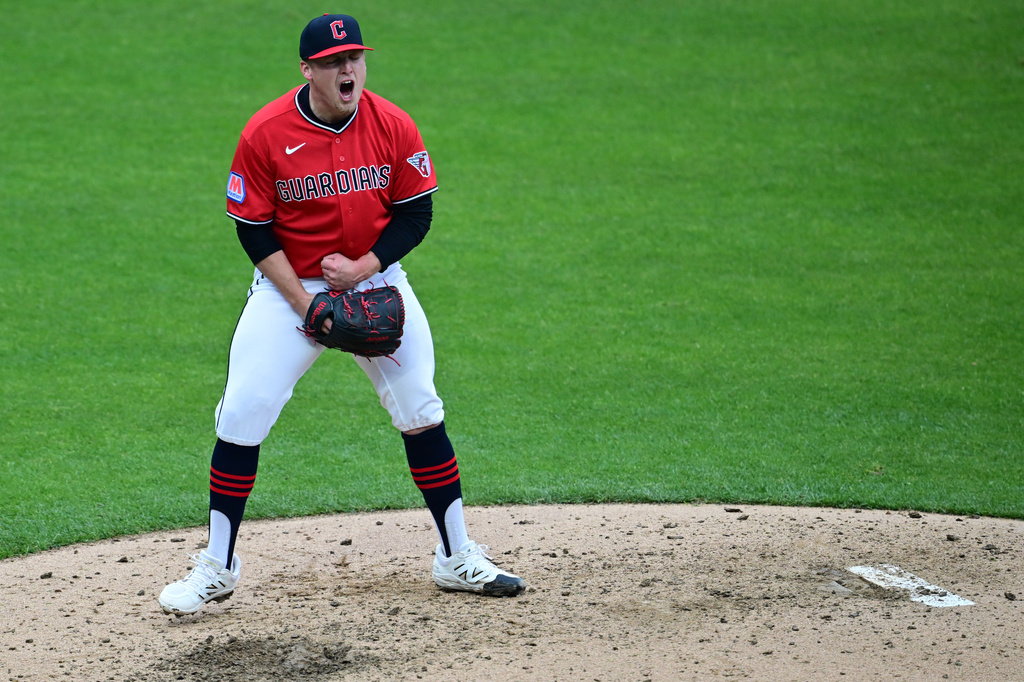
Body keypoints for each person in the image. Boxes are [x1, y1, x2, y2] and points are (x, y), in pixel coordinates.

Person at [158, 13, 525, 616]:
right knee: (244, 409)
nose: (347, 69)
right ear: (308, 70)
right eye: (332, 62)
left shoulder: (392, 124)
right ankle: (217, 568)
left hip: (374, 279)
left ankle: (457, 556)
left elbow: (416, 213)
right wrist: (306, 305)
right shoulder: (267, 132)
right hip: (287, 289)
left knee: (421, 407)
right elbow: (252, 228)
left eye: (354, 58)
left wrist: (365, 268)